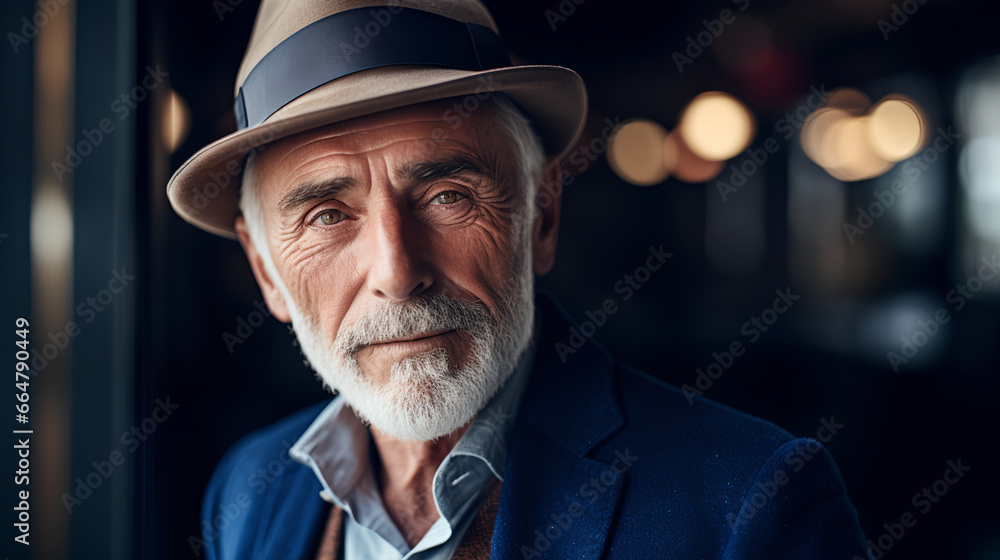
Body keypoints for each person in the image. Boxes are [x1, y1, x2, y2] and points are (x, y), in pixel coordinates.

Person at [167, 0, 870, 558]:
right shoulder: (247, 489)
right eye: (326, 215)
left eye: (448, 197)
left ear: (542, 216)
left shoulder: (751, 501)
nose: (397, 273)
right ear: (266, 270)